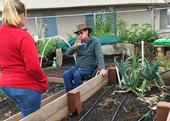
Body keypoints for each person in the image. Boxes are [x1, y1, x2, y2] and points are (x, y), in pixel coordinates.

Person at [0, 0, 48, 117]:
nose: (26, 19)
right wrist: (43, 82)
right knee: (32, 118)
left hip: (6, 85)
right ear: (21, 15)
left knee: (25, 112)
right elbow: (33, 67)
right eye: (26, 15)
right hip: (26, 87)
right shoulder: (23, 36)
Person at [63, 23, 107, 92]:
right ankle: (70, 94)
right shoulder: (78, 42)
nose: (80, 35)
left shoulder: (95, 41)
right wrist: (75, 46)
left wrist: (102, 68)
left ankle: (80, 94)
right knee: (66, 75)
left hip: (89, 67)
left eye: (81, 32)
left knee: (76, 75)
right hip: (77, 66)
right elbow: (68, 53)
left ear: (87, 31)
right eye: (78, 34)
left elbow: (99, 55)